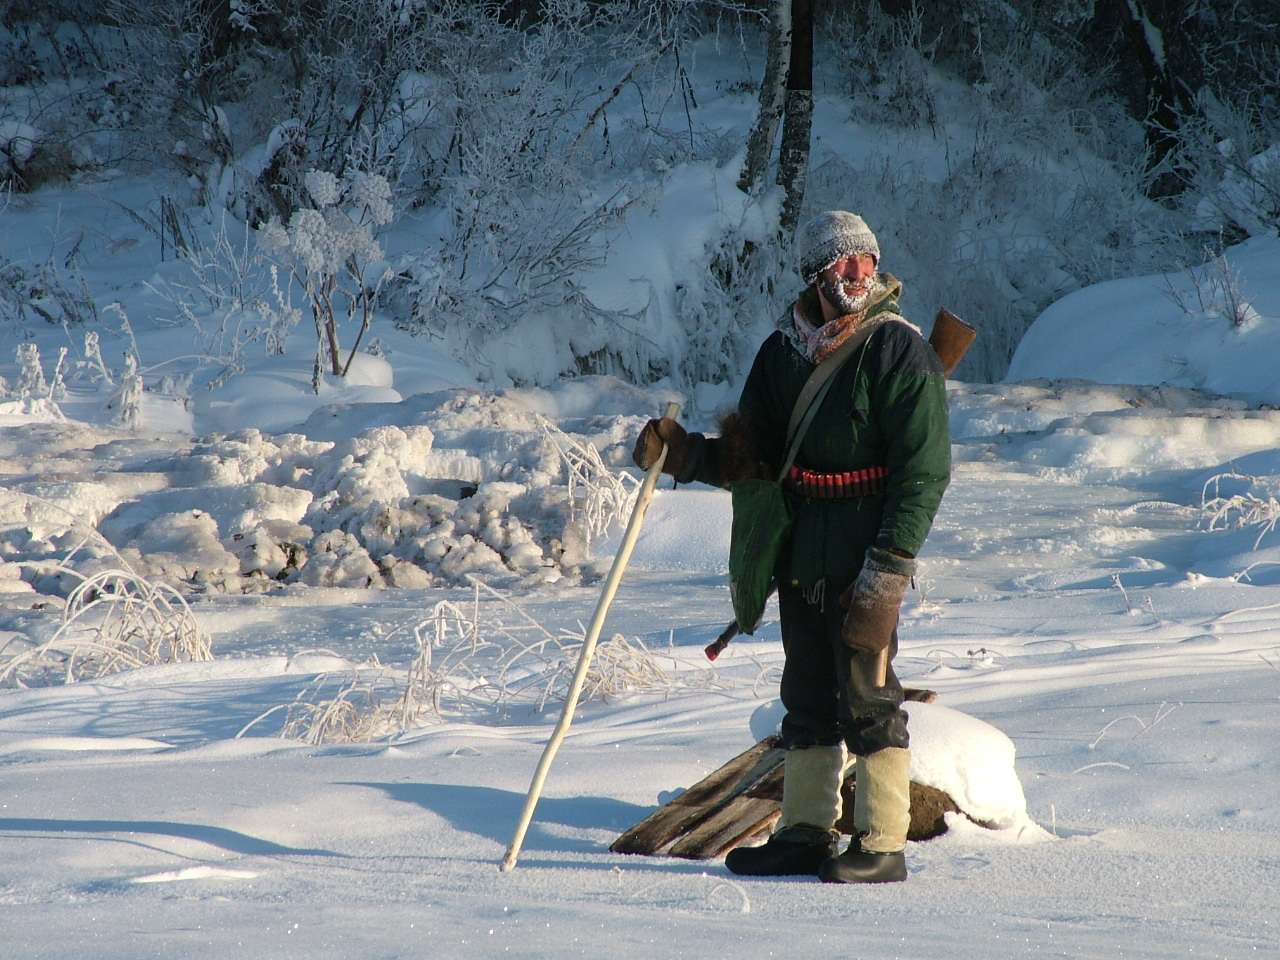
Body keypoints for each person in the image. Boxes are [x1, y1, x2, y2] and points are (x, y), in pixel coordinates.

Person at [632, 211, 950, 884]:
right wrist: (682, 452)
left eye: (866, 260)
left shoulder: (897, 351)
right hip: (802, 547)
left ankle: (882, 841)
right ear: (815, 275)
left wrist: (888, 571)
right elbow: (753, 460)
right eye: (842, 264)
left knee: (868, 694)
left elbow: (924, 474)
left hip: (870, 550)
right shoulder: (782, 353)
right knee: (806, 695)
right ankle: (805, 833)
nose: (858, 273)